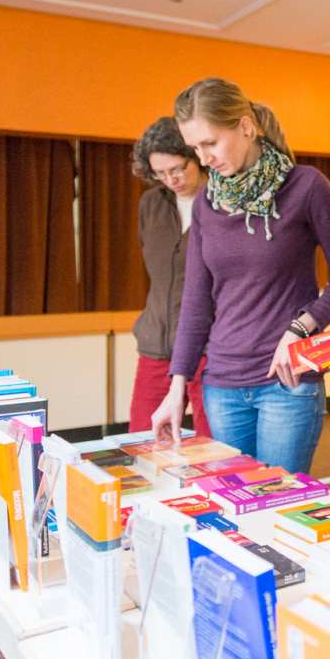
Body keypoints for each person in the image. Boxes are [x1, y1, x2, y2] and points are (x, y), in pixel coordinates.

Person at [149, 78, 330, 474]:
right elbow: (196, 302)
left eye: (210, 143)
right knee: (232, 510)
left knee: (279, 507)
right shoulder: (207, 204)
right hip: (221, 386)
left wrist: (300, 329)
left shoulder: (306, 186)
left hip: (288, 382)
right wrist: (177, 388)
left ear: (245, 127)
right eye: (195, 147)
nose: (204, 157)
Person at [128, 117, 210, 437]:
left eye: (177, 169)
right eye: (160, 174)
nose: (171, 179)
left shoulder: (220, 202)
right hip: (157, 343)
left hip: (208, 347)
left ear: (197, 156)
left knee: (213, 445)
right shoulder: (151, 204)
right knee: (142, 438)